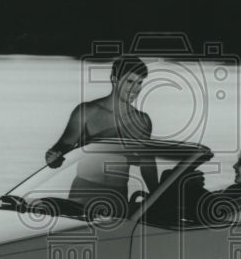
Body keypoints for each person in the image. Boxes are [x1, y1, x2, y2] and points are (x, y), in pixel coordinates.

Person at [45, 55, 158, 196]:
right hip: (84, 191)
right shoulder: (86, 112)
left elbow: (148, 165)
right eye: (129, 81)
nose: (135, 89)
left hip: (118, 194)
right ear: (114, 80)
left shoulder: (142, 121)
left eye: (139, 83)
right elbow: (60, 151)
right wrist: (51, 158)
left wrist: (157, 196)